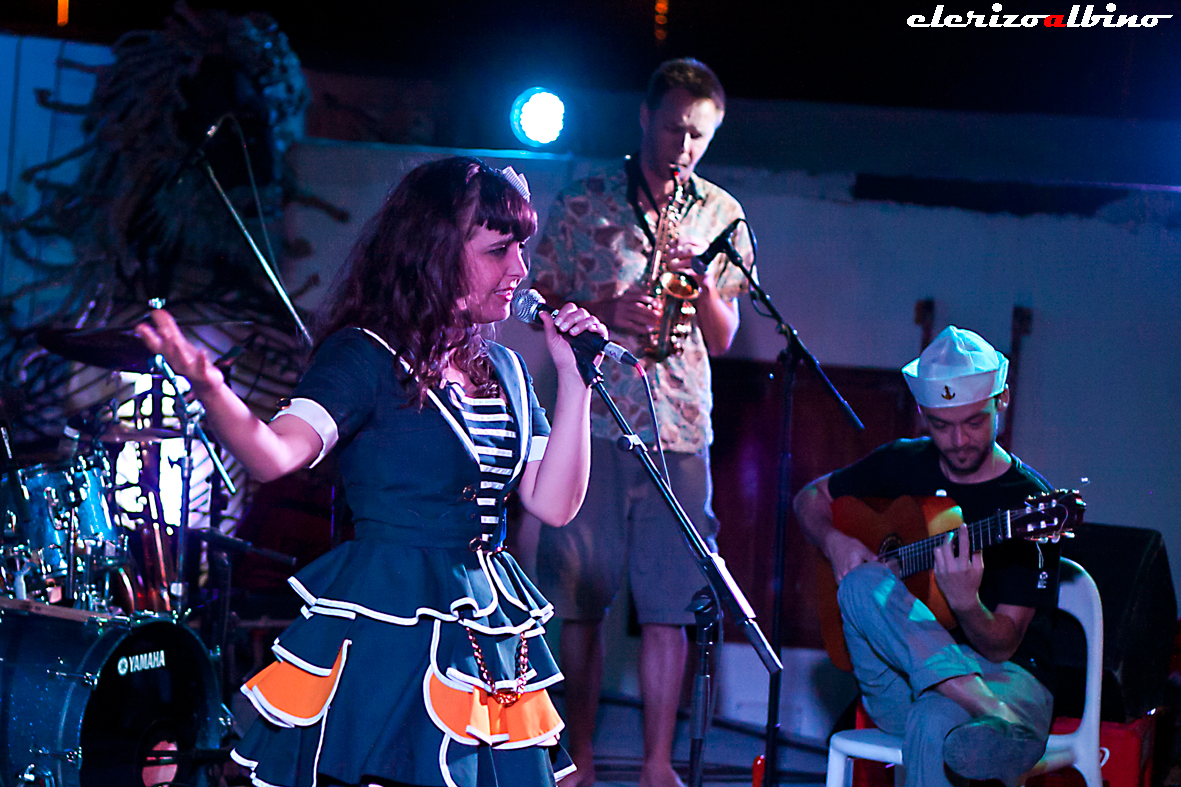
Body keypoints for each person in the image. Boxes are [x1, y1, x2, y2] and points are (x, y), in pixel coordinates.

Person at [136, 156, 607, 787]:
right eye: (499, 250)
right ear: (435, 253)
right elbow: (274, 455)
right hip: (391, 618)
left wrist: (575, 382)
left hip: (489, 623)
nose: (520, 270)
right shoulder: (363, 356)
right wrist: (210, 387)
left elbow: (555, 505)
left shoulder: (509, 372)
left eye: (521, 248)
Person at [524, 58, 753, 787]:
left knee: (670, 607)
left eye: (698, 135)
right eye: (673, 128)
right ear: (645, 116)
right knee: (579, 603)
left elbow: (725, 335)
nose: (684, 146)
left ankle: (657, 765)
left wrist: (701, 283)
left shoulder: (723, 214)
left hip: (680, 429)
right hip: (591, 422)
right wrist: (606, 308)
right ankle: (579, 759)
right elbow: (533, 300)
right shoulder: (585, 197)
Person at [794, 326, 1060, 787]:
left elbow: (1003, 645)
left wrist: (965, 604)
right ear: (922, 414)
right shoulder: (902, 462)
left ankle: (980, 711)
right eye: (941, 425)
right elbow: (808, 498)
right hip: (900, 678)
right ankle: (992, 715)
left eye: (973, 422)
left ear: (1002, 400)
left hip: (999, 673)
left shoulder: (1029, 503)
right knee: (859, 583)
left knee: (933, 720)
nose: (958, 440)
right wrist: (834, 542)